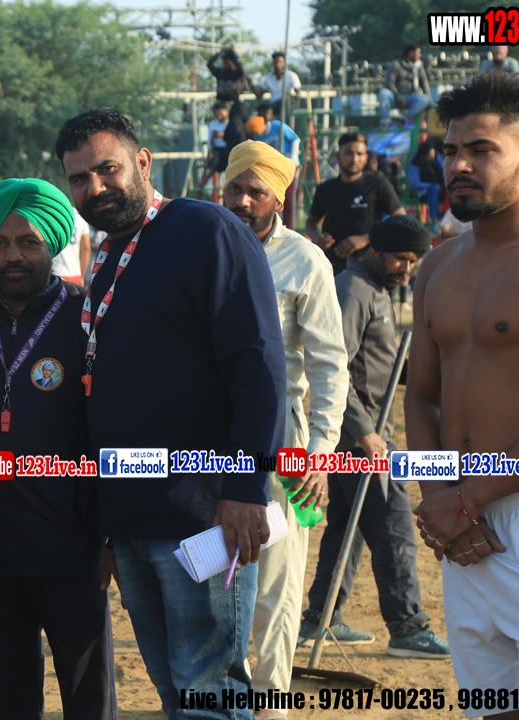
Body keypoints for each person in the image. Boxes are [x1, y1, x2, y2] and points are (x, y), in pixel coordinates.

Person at [56, 107, 286, 720]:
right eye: (79, 179)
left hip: (201, 513)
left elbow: (258, 365)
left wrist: (244, 488)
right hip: (131, 517)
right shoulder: (109, 253)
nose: (95, 188)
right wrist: (106, 524)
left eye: (107, 169)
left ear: (142, 163)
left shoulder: (206, 229)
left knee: (208, 692)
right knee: (174, 692)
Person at [407, 72, 519, 719]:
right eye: (451, 150)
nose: (458, 165)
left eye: (481, 150)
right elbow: (421, 397)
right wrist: (439, 496)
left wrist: (468, 499)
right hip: (462, 528)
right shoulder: (436, 266)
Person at [0, 177, 115, 720]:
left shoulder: (86, 321)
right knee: (6, 704)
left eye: (28, 242)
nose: (12, 255)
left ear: (53, 245)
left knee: (89, 700)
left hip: (71, 548)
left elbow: (113, 429)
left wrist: (109, 533)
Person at [221, 142, 348, 714]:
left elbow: (329, 367)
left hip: (285, 445)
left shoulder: (306, 261)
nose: (244, 201)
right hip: (207, 443)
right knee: (213, 579)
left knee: (275, 583)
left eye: (257, 191)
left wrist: (321, 453)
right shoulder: (201, 250)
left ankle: (270, 705)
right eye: (235, 189)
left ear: (279, 198)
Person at [300, 214, 449, 659]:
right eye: (402, 259)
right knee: (394, 525)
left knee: (346, 528)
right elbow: (335, 370)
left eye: (414, 261)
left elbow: (378, 361)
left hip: (369, 433)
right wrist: (364, 431)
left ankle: (320, 618)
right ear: (377, 250)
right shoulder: (353, 291)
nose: (408, 268)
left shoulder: (379, 289)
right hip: (359, 438)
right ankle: (407, 627)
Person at [305, 132, 406, 275]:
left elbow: (401, 220)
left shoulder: (378, 185)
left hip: (368, 267)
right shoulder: (325, 189)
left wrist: (366, 238)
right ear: (338, 156)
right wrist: (317, 237)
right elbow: (311, 222)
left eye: (359, 154)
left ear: (366, 158)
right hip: (330, 268)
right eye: (348, 153)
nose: (354, 159)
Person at [249, 106, 301, 228]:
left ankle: (290, 226)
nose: (257, 134)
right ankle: (272, 226)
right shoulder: (257, 138)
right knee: (272, 198)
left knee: (289, 198)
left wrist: (293, 158)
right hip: (273, 170)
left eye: (257, 131)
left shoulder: (278, 126)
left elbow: (295, 139)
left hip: (288, 166)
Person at [207, 46, 254, 148]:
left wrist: (234, 53)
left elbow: (240, 67)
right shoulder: (220, 73)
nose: (225, 64)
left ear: (233, 62)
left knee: (239, 128)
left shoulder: (237, 74)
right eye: (224, 62)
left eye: (227, 62)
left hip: (235, 106)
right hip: (222, 104)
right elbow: (209, 64)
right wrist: (219, 52)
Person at [378, 44, 432, 127]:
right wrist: (399, 97)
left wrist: (429, 101)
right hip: (395, 97)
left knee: (425, 99)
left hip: (410, 97)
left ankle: (402, 120)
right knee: (383, 93)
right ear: (411, 53)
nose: (420, 55)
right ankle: (385, 123)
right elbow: (389, 84)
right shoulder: (396, 64)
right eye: (418, 52)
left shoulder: (419, 66)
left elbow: (424, 82)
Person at [50, 206, 91, 285]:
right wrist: (82, 276)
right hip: (75, 274)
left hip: (54, 274)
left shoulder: (49, 211)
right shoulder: (79, 215)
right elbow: (86, 249)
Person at [255, 51, 302, 118]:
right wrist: (252, 84)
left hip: (287, 103)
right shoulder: (268, 77)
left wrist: (292, 95)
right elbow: (259, 97)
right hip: (273, 105)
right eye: (276, 62)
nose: (278, 64)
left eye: (280, 62)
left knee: (285, 101)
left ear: (284, 63)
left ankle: (287, 123)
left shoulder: (291, 75)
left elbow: (299, 95)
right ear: (273, 64)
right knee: (263, 110)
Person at [409, 143, 445, 225]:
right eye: (430, 155)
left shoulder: (436, 157)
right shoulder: (414, 163)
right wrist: (432, 186)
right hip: (422, 192)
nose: (433, 156)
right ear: (423, 156)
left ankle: (448, 217)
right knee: (433, 189)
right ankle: (435, 220)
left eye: (433, 154)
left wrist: (443, 185)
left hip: (439, 189)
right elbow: (415, 183)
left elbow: (443, 173)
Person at [206, 102, 232, 176]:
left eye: (220, 114)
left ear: (227, 112)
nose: (218, 116)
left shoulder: (232, 124)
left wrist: (225, 135)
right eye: (217, 114)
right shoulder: (212, 125)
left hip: (229, 149)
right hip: (218, 150)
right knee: (215, 162)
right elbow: (210, 144)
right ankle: (204, 180)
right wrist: (214, 137)